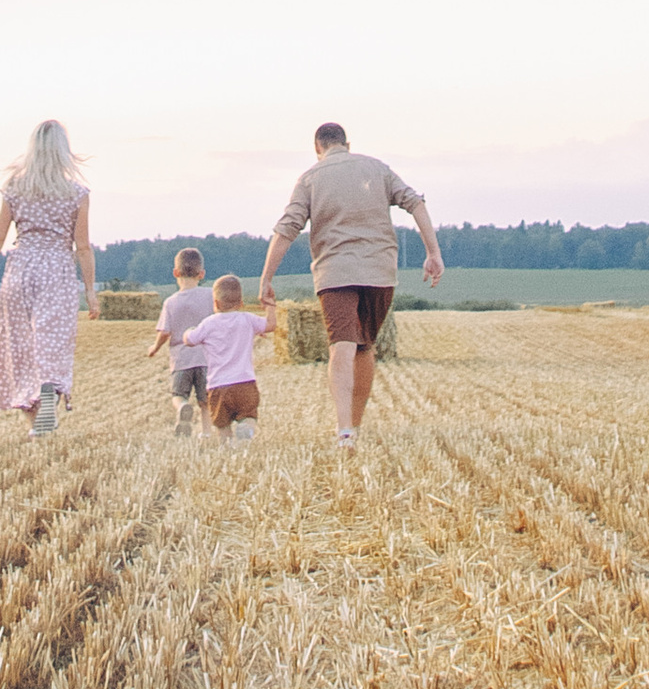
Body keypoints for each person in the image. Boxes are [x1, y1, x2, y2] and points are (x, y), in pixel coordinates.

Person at [257, 121, 443, 449]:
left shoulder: (311, 178)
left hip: (335, 272)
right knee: (364, 347)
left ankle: (345, 430)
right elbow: (416, 203)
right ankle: (354, 425)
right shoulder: (377, 168)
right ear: (347, 143)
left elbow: (286, 228)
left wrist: (267, 278)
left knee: (341, 347)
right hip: (380, 271)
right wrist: (433, 253)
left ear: (318, 148)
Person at [0, 119, 98, 434]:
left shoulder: (15, 188)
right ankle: (48, 396)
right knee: (51, 343)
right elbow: (83, 246)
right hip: (57, 270)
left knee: (21, 346)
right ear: (64, 152)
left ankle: (34, 425)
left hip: (21, 269)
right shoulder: (77, 193)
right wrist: (91, 290)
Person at [180, 275, 274, 438]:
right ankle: (246, 428)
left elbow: (190, 340)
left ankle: (228, 452)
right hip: (245, 383)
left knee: (222, 426)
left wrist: (187, 332)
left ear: (215, 303)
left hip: (218, 386)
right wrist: (271, 305)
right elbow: (270, 325)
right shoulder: (247, 319)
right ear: (241, 303)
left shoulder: (208, 323)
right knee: (249, 416)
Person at [147, 246, 217, 435]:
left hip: (181, 360)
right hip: (206, 359)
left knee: (178, 395)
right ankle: (206, 434)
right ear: (201, 274)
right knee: (206, 402)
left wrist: (155, 347)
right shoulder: (211, 296)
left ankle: (182, 407)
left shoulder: (170, 302)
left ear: (175, 273)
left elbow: (165, 332)